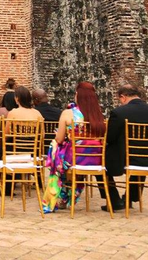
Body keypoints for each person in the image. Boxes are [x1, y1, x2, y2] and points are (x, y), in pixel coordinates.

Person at [98, 84, 148, 212]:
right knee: (140, 160)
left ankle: (114, 200)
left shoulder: (119, 113)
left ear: (123, 97)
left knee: (98, 162)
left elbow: (110, 137)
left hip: (124, 158)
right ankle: (129, 198)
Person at [41, 81, 105, 213]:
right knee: (65, 155)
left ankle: (56, 198)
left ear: (78, 96)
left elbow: (59, 138)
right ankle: (68, 196)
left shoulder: (68, 113)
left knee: (56, 151)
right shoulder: (98, 115)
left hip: (75, 159)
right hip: (95, 158)